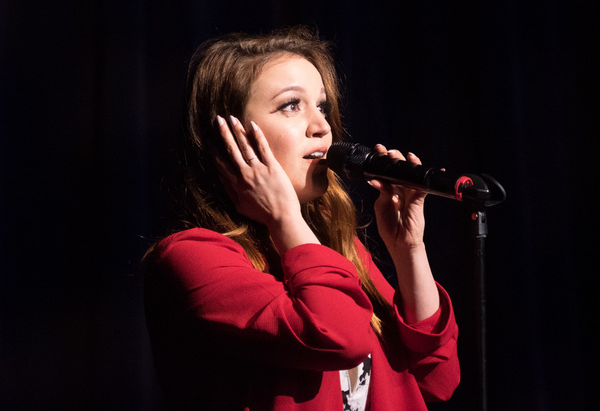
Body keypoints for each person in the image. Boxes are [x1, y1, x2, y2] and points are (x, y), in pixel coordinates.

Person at [144, 26, 460, 411]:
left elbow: (439, 378)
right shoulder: (190, 258)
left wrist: (409, 250)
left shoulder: (332, 249)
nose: (322, 126)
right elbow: (338, 337)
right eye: (291, 105)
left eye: (322, 106)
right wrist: (285, 218)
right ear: (231, 137)